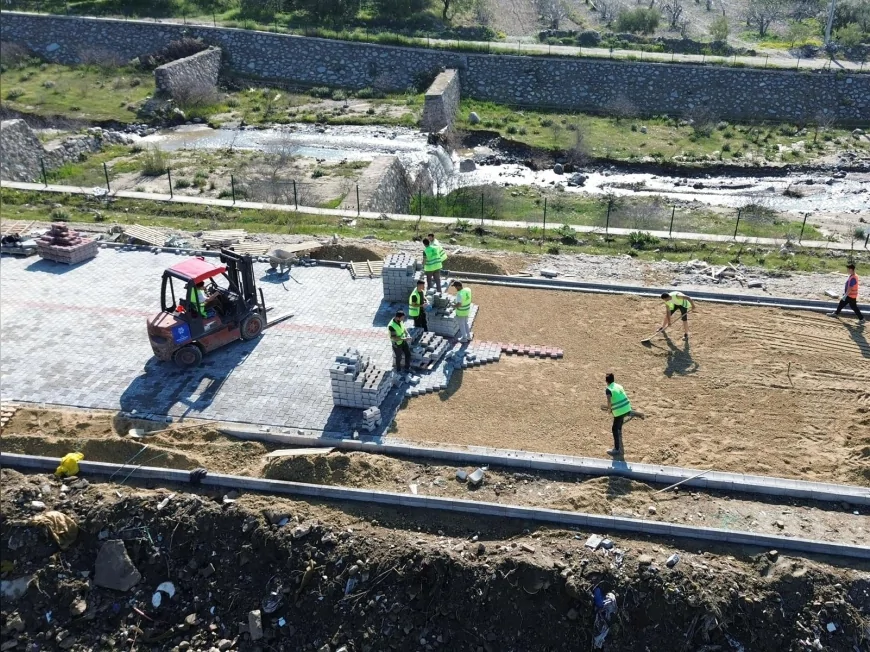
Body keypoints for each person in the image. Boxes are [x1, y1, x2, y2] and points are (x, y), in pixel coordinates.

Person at [605, 372, 643, 457]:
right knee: (620, 419)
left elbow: (609, 402)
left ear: (606, 381)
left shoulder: (608, 389)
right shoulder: (619, 386)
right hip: (627, 408)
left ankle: (617, 449)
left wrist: (609, 410)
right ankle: (620, 429)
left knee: (614, 428)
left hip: (620, 411)